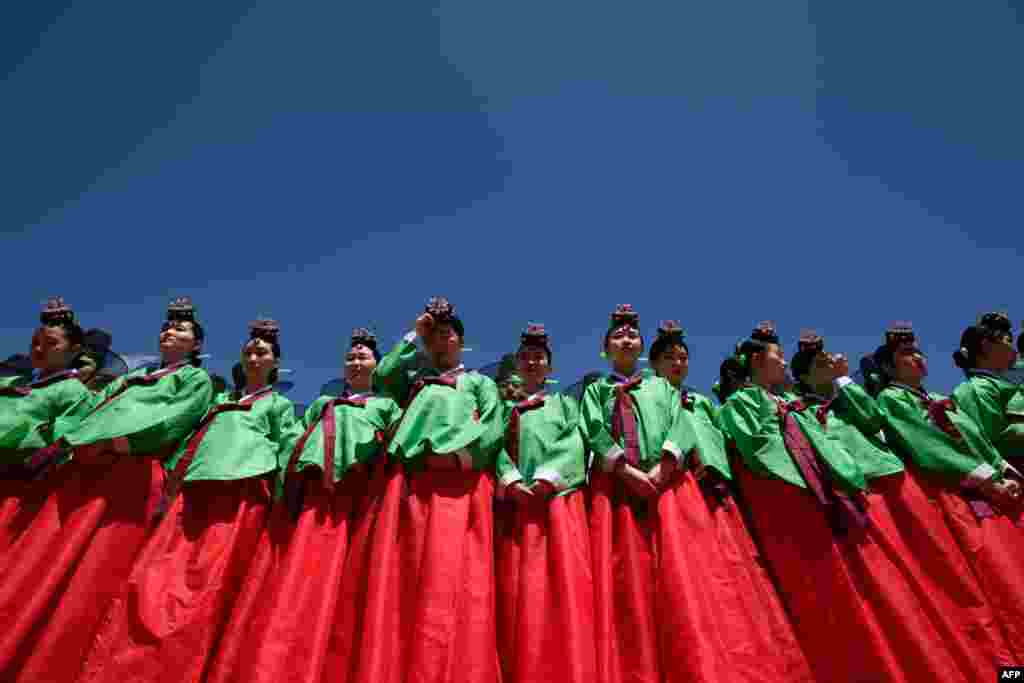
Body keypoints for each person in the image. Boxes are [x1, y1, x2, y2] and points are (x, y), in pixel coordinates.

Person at [718, 321, 1013, 682]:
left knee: (933, 579)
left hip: (879, 485)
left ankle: (984, 662)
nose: (828, 365)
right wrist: (836, 485)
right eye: (778, 357)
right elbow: (774, 451)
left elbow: (871, 420)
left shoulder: (823, 405)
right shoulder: (789, 408)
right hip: (839, 497)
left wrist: (843, 383)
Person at [0, 297, 214, 682]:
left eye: (181, 330)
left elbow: (178, 416)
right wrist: (71, 442)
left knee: (94, 566)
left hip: (129, 471)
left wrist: (119, 443)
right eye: (167, 327)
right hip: (84, 465)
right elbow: (89, 408)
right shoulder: (128, 377)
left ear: (196, 345)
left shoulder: (194, 379)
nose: (170, 332)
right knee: (47, 552)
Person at [76, 318, 300, 682]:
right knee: (153, 579)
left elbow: (287, 444)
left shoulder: (276, 404)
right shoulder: (219, 399)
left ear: (275, 363)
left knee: (207, 582)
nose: (254, 356)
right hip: (190, 487)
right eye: (249, 351)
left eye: (262, 352)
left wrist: (283, 500)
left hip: (239, 488)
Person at [205, 327, 401, 683]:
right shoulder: (320, 406)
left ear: (377, 365)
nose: (356, 362)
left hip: (357, 500)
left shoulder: (386, 405)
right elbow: (295, 447)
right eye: (351, 357)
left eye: (363, 357)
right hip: (313, 498)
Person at [648, 320, 811, 682]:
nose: (679, 363)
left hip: (718, 489)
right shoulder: (651, 396)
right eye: (670, 357)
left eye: (683, 357)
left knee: (734, 571)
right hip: (677, 485)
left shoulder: (703, 402)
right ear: (654, 363)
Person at [862, 320, 1024, 658]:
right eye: (906, 354)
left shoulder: (941, 398)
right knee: (1001, 583)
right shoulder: (893, 400)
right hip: (960, 499)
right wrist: (989, 481)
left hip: (1001, 492)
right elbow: (929, 448)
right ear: (889, 367)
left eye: (918, 350)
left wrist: (1006, 474)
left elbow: (981, 440)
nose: (917, 357)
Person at [368, 297, 504, 683]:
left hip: (459, 482)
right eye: (437, 334)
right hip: (410, 479)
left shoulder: (477, 382)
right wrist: (416, 332)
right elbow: (382, 376)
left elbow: (493, 428)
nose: (442, 340)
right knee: (403, 568)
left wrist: (459, 457)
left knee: (454, 572)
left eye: (449, 333)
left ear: (461, 342)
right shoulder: (415, 381)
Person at [494, 324, 596, 683]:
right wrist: (510, 480)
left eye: (539, 357)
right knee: (514, 590)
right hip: (513, 507)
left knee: (561, 587)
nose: (532, 362)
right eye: (526, 357)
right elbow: (491, 448)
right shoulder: (502, 409)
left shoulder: (566, 404)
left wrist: (546, 479)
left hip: (557, 503)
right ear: (517, 366)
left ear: (550, 367)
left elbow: (574, 442)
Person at [0, 298, 92, 553]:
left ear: (74, 350)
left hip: (17, 487)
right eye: (35, 343)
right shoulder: (12, 381)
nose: (39, 349)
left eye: (51, 343)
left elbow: (62, 443)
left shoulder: (73, 391)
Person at [951, 312, 1024, 460]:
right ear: (987, 346)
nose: (1015, 349)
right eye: (1008, 340)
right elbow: (986, 446)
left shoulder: (1008, 382)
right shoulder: (977, 389)